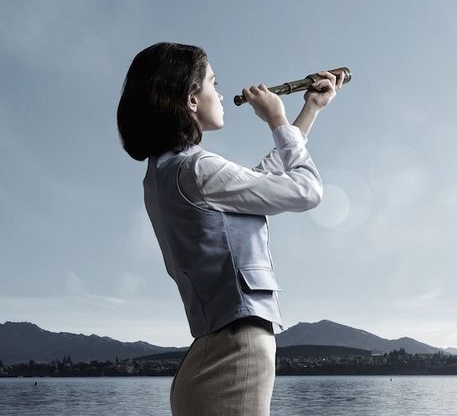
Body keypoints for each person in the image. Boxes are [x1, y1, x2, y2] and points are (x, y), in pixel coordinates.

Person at [117, 42, 343, 415]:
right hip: (235, 354)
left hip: (212, 356)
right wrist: (276, 122)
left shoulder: (165, 173)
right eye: (213, 83)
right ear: (191, 99)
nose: (221, 95)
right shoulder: (198, 169)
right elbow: (308, 190)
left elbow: (259, 180)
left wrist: (310, 110)